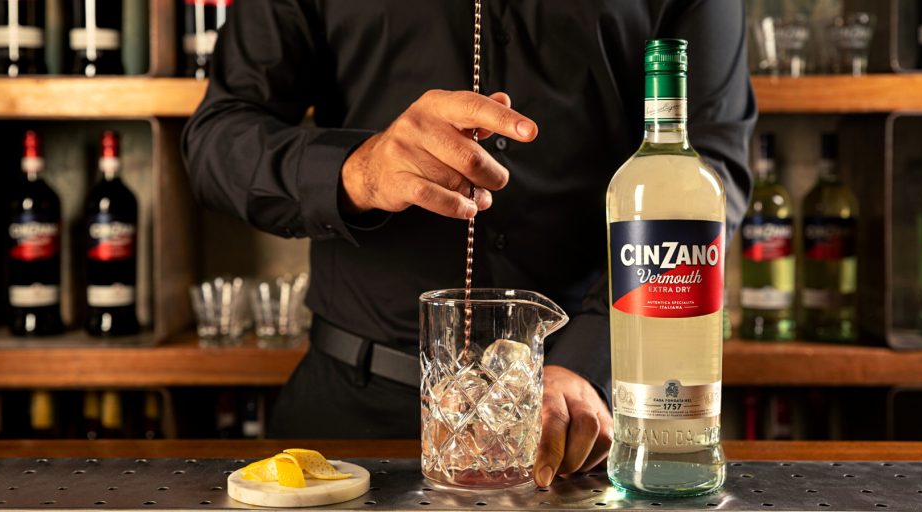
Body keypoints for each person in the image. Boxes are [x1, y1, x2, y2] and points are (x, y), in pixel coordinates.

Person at [183, 0, 755, 488]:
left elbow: (709, 168)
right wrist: (360, 170)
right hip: (353, 413)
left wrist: (589, 361)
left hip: (587, 424)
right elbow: (216, 140)